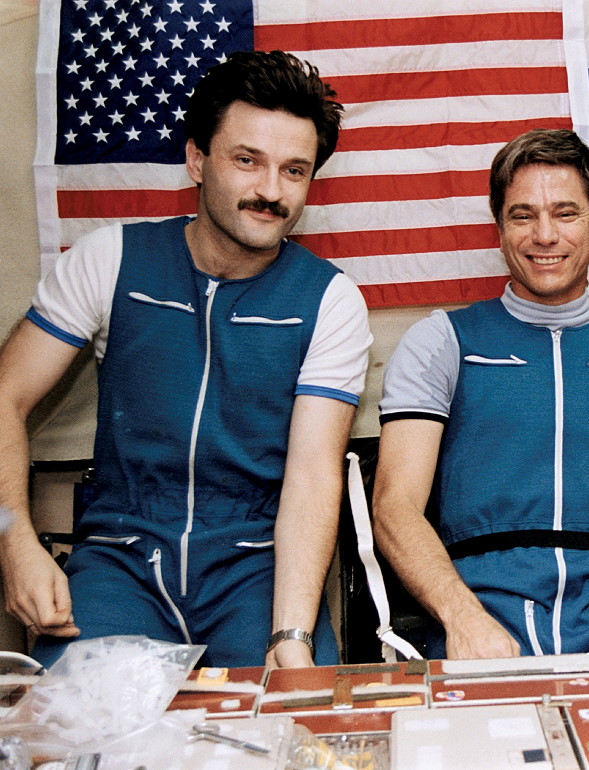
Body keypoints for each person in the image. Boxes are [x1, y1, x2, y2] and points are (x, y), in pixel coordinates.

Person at [0, 51, 372, 669]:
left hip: (254, 571)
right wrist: (14, 543)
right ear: (197, 159)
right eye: (247, 160)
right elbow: (6, 394)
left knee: (294, 720)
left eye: (294, 170)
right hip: (121, 559)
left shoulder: (330, 300)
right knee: (75, 722)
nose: (270, 191)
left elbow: (312, 475)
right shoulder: (110, 258)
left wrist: (290, 637)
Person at [373, 129, 589, 659]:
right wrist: (462, 617)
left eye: (565, 213)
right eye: (523, 215)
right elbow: (394, 507)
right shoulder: (440, 340)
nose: (545, 235)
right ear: (499, 228)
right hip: (478, 613)